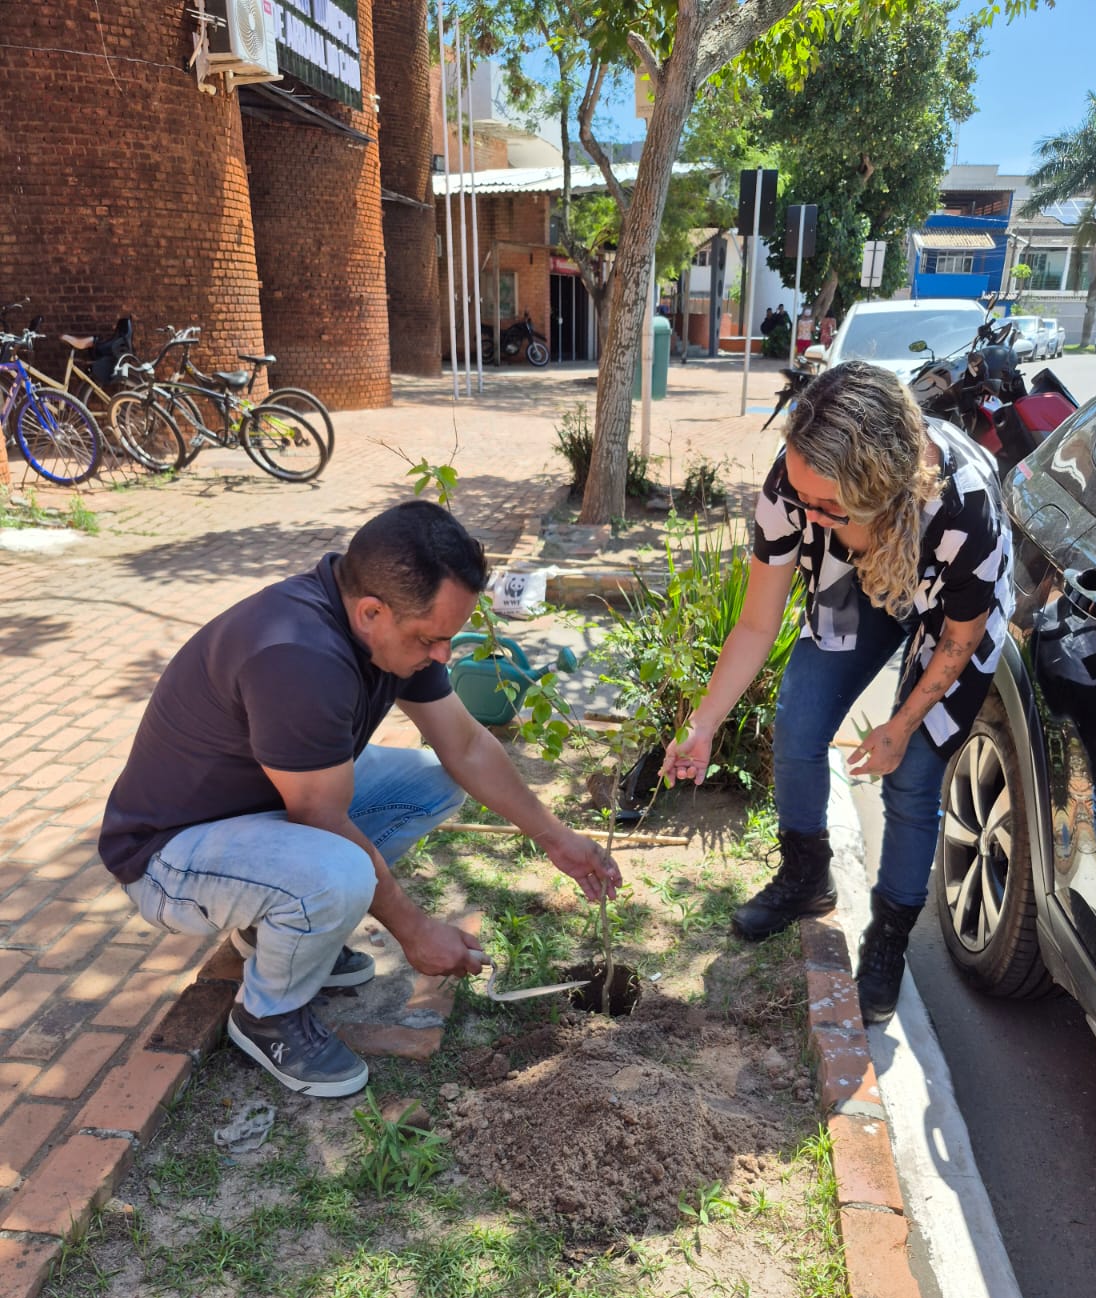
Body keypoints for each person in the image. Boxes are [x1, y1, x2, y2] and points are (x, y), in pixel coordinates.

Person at [98, 502, 621, 1097]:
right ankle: (267, 1015)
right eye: (431, 639)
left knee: (432, 781)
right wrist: (416, 930)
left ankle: (274, 930)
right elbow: (320, 817)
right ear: (371, 611)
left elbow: (467, 746)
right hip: (169, 859)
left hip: (253, 814)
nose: (443, 655)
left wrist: (557, 839)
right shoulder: (298, 658)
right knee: (340, 872)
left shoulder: (387, 629)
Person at [662, 361, 1013, 1024]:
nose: (804, 512)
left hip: (948, 601)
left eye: (824, 506)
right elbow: (757, 621)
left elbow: (958, 645)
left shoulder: (966, 512)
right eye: (800, 496)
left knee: (912, 776)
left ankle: (889, 939)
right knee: (800, 716)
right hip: (858, 572)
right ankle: (804, 877)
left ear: (877, 488)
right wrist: (704, 723)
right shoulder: (793, 486)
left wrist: (902, 723)